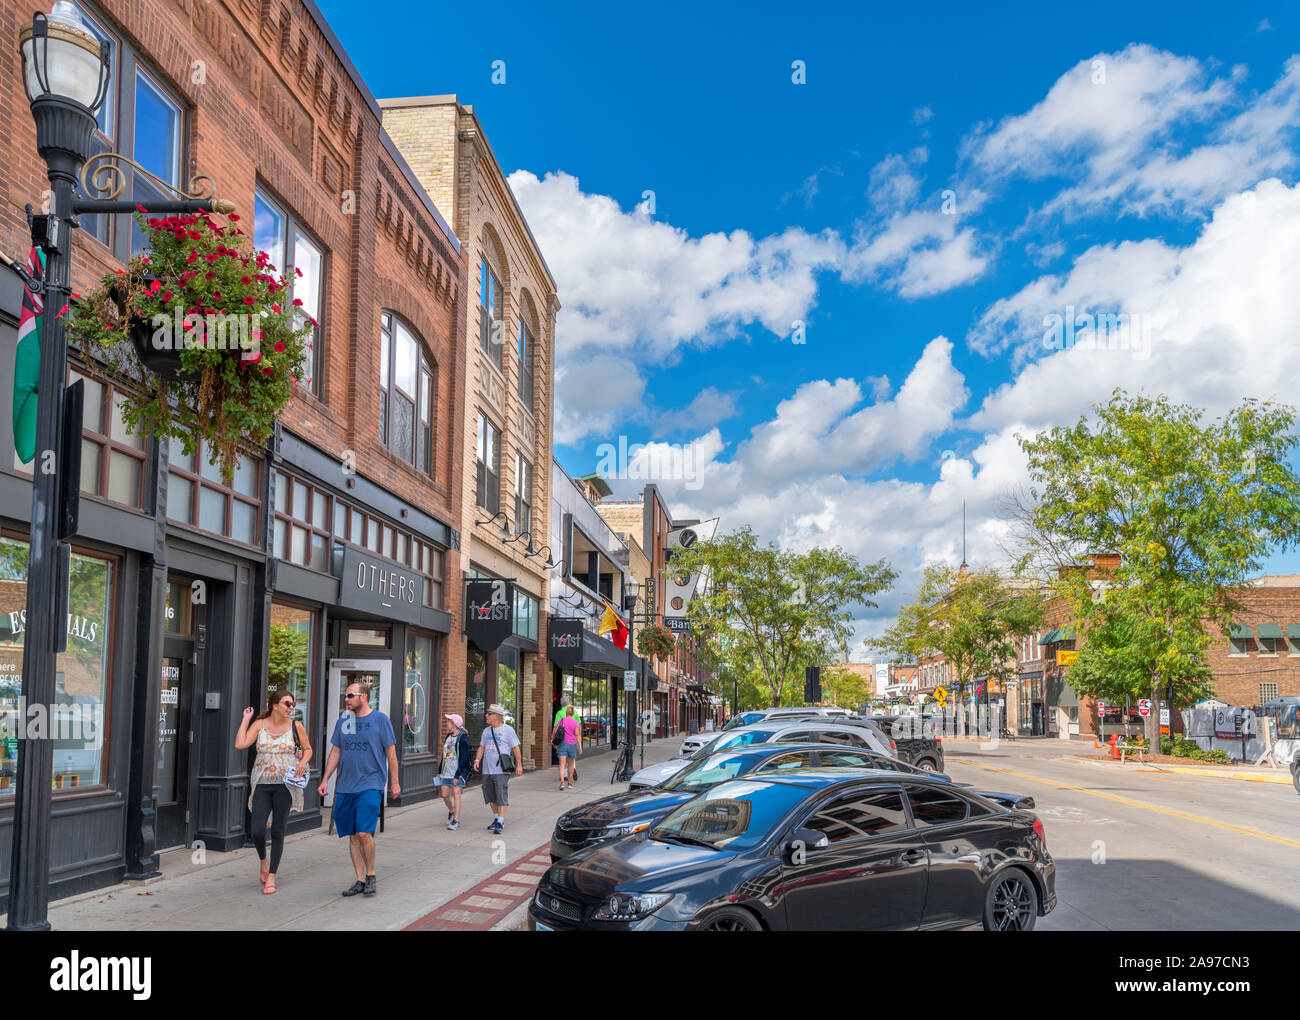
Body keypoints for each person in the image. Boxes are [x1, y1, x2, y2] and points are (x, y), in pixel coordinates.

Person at [317, 681, 398, 897]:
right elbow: (336, 751)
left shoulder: (380, 720)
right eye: (345, 695)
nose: (346, 698)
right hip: (345, 786)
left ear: (363, 697)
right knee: (353, 835)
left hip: (371, 784)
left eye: (350, 695)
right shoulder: (344, 720)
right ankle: (360, 880)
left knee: (364, 832)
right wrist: (325, 779)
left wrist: (395, 782)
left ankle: (371, 876)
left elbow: (391, 753)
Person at [236, 690, 312, 895]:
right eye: (287, 703)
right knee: (257, 831)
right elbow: (240, 744)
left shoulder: (296, 726)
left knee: (278, 830)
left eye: (292, 704)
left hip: (285, 785)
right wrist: (246, 719)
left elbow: (307, 749)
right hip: (261, 783)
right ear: (275, 705)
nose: (291, 707)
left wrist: (303, 764)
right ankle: (263, 859)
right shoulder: (260, 725)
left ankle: (272, 876)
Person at [473, 704, 521, 833]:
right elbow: (481, 747)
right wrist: (477, 760)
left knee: (501, 795)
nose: (486, 716)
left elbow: (516, 748)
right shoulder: (486, 731)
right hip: (487, 770)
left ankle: (500, 821)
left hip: (501, 769)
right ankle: (496, 818)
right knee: (490, 796)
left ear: (496, 716)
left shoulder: (508, 730)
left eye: (489, 714)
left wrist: (519, 765)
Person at [437, 713, 472, 829]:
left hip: (458, 772)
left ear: (454, 724)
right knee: (445, 795)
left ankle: (456, 820)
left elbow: (464, 758)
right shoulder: (448, 736)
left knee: (456, 794)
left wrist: (458, 775)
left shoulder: (463, 738)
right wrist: (439, 770)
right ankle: (451, 811)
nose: (446, 723)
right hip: (446, 771)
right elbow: (444, 754)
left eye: (448, 721)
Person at [551, 705, 582, 789]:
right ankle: (569, 783)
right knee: (571, 765)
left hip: (562, 745)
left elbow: (555, 731)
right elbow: (577, 735)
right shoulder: (575, 723)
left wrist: (553, 739)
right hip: (572, 745)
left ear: (566, 712)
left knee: (562, 765)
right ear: (573, 713)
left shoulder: (561, 721)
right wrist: (580, 746)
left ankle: (562, 783)